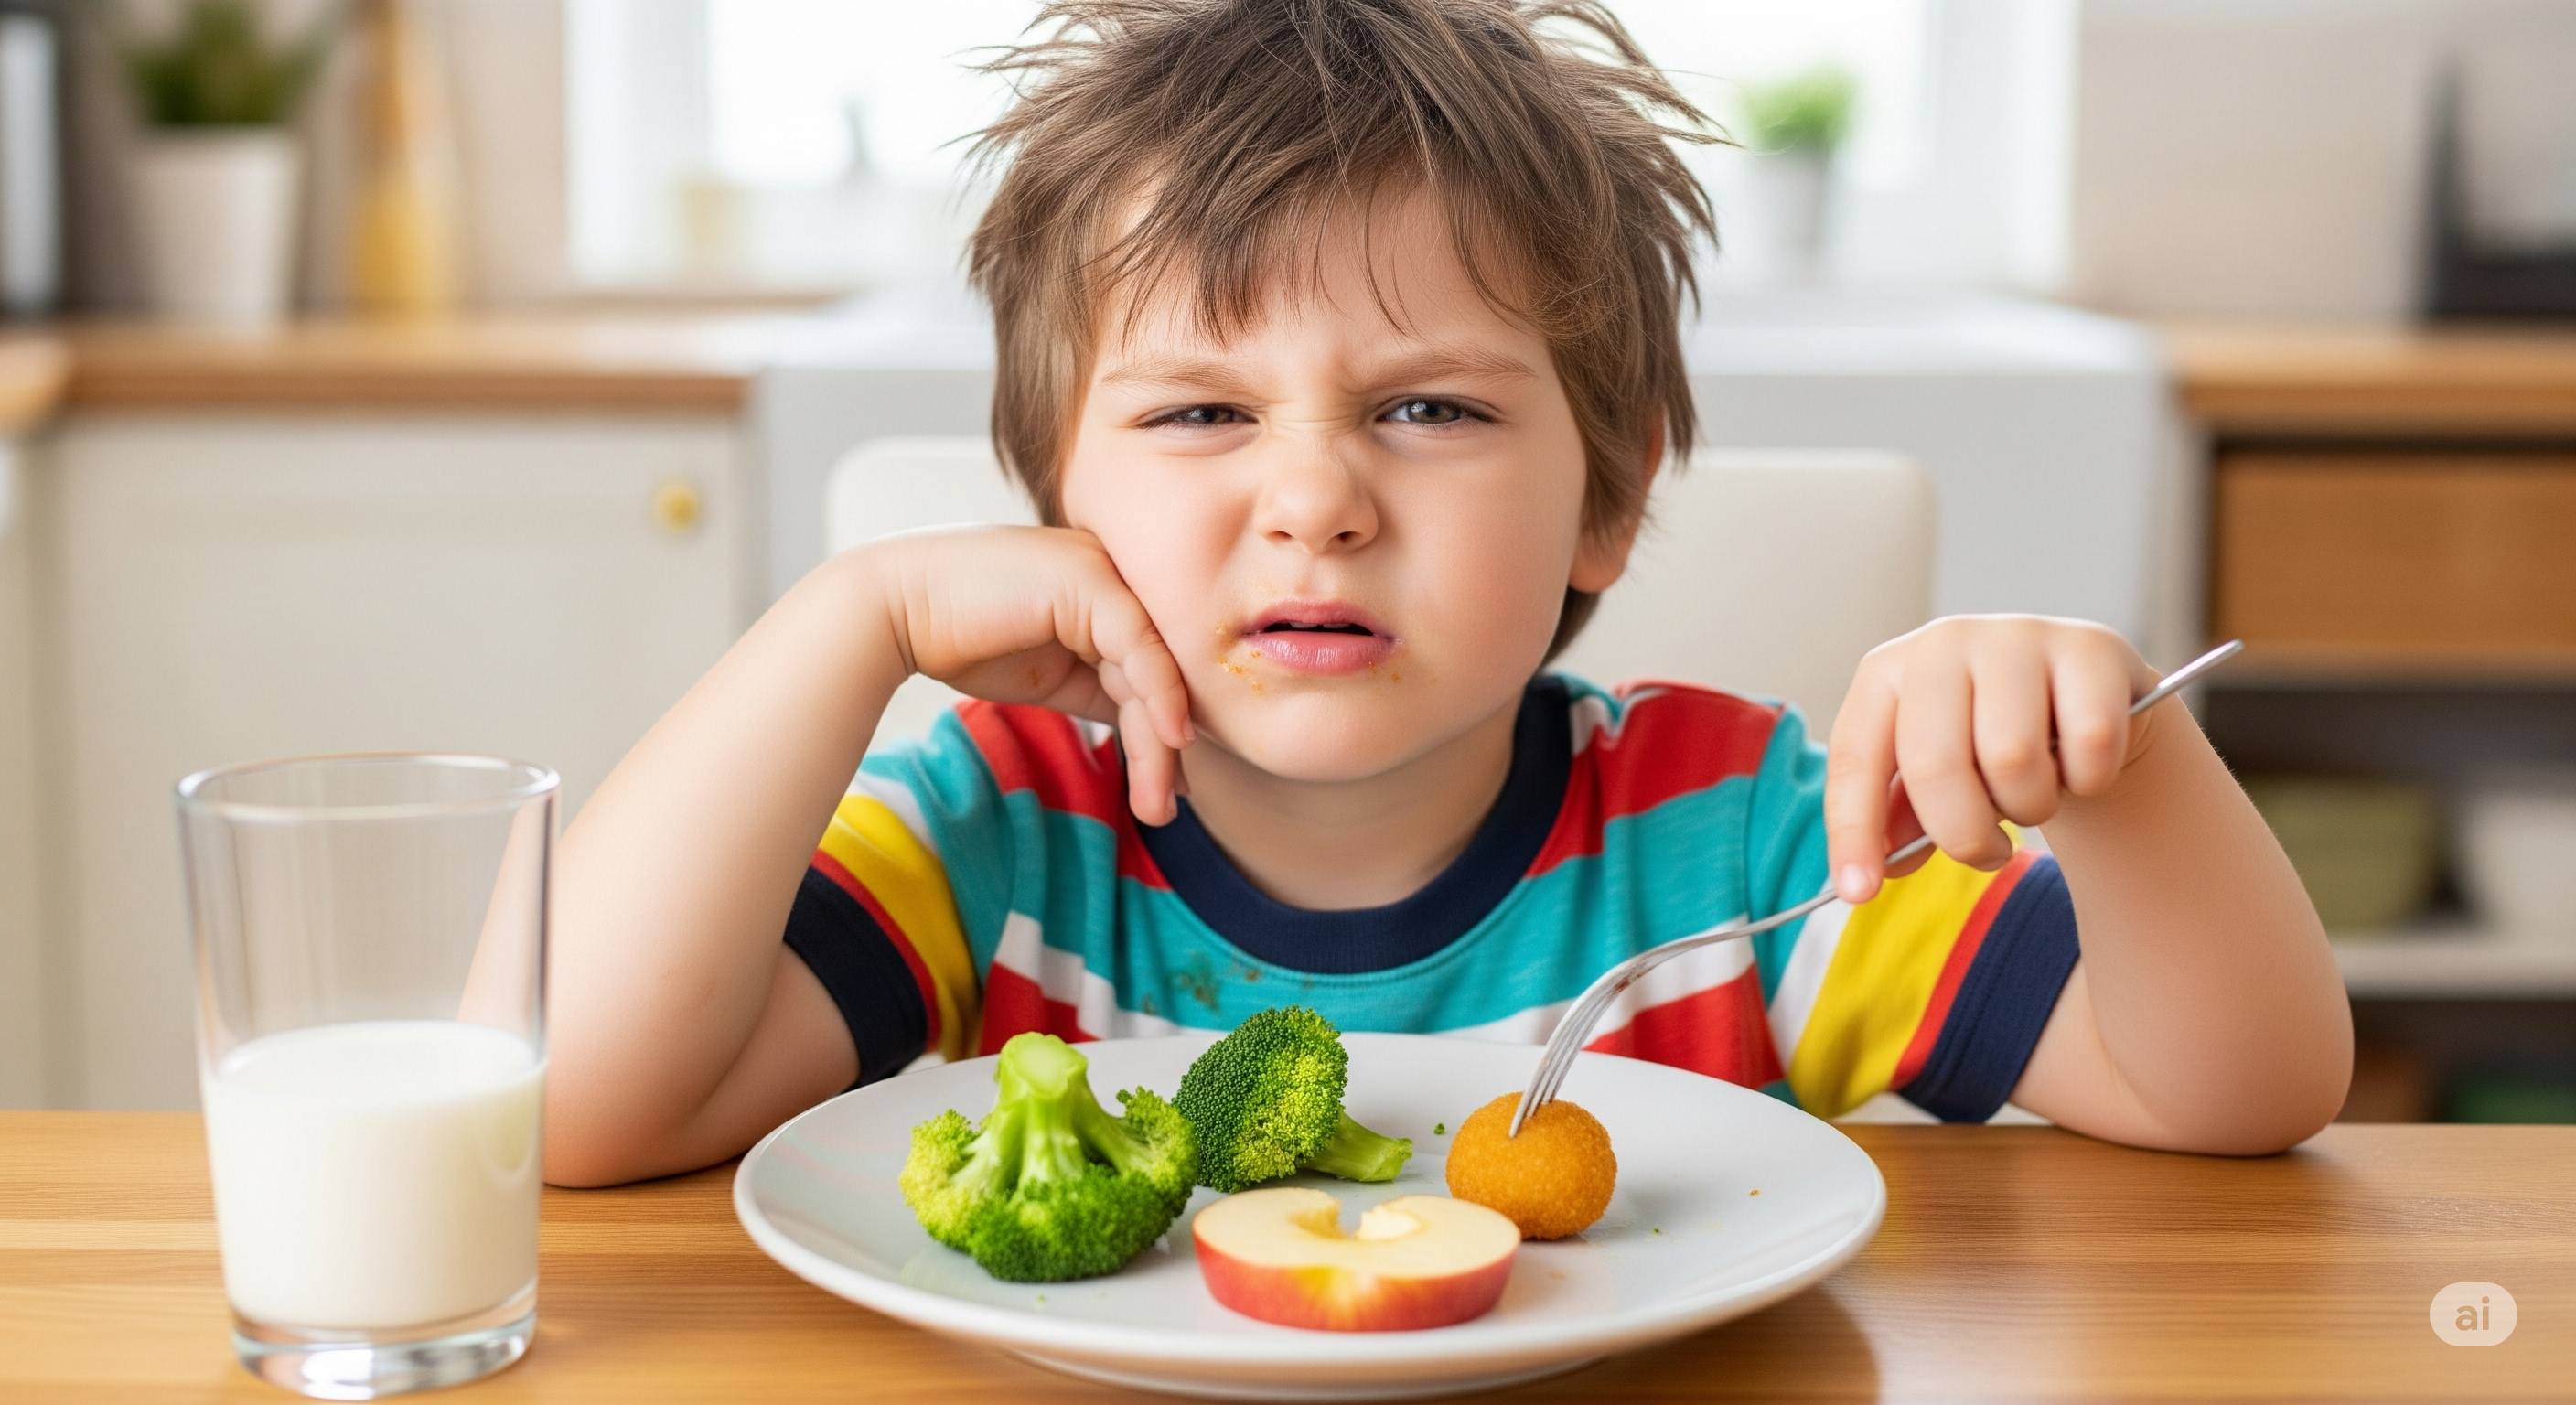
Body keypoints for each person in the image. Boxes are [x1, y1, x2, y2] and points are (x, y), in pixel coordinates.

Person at [536, 0, 2349, 1187]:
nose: (1314, 500)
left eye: (1428, 408)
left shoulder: (1743, 850)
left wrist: (2118, 763)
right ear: (1053, 517)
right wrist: (838, 624)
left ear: (1609, 499)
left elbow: (2237, 1091)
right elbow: (557, 1106)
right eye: (1199, 413)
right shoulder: (998, 828)